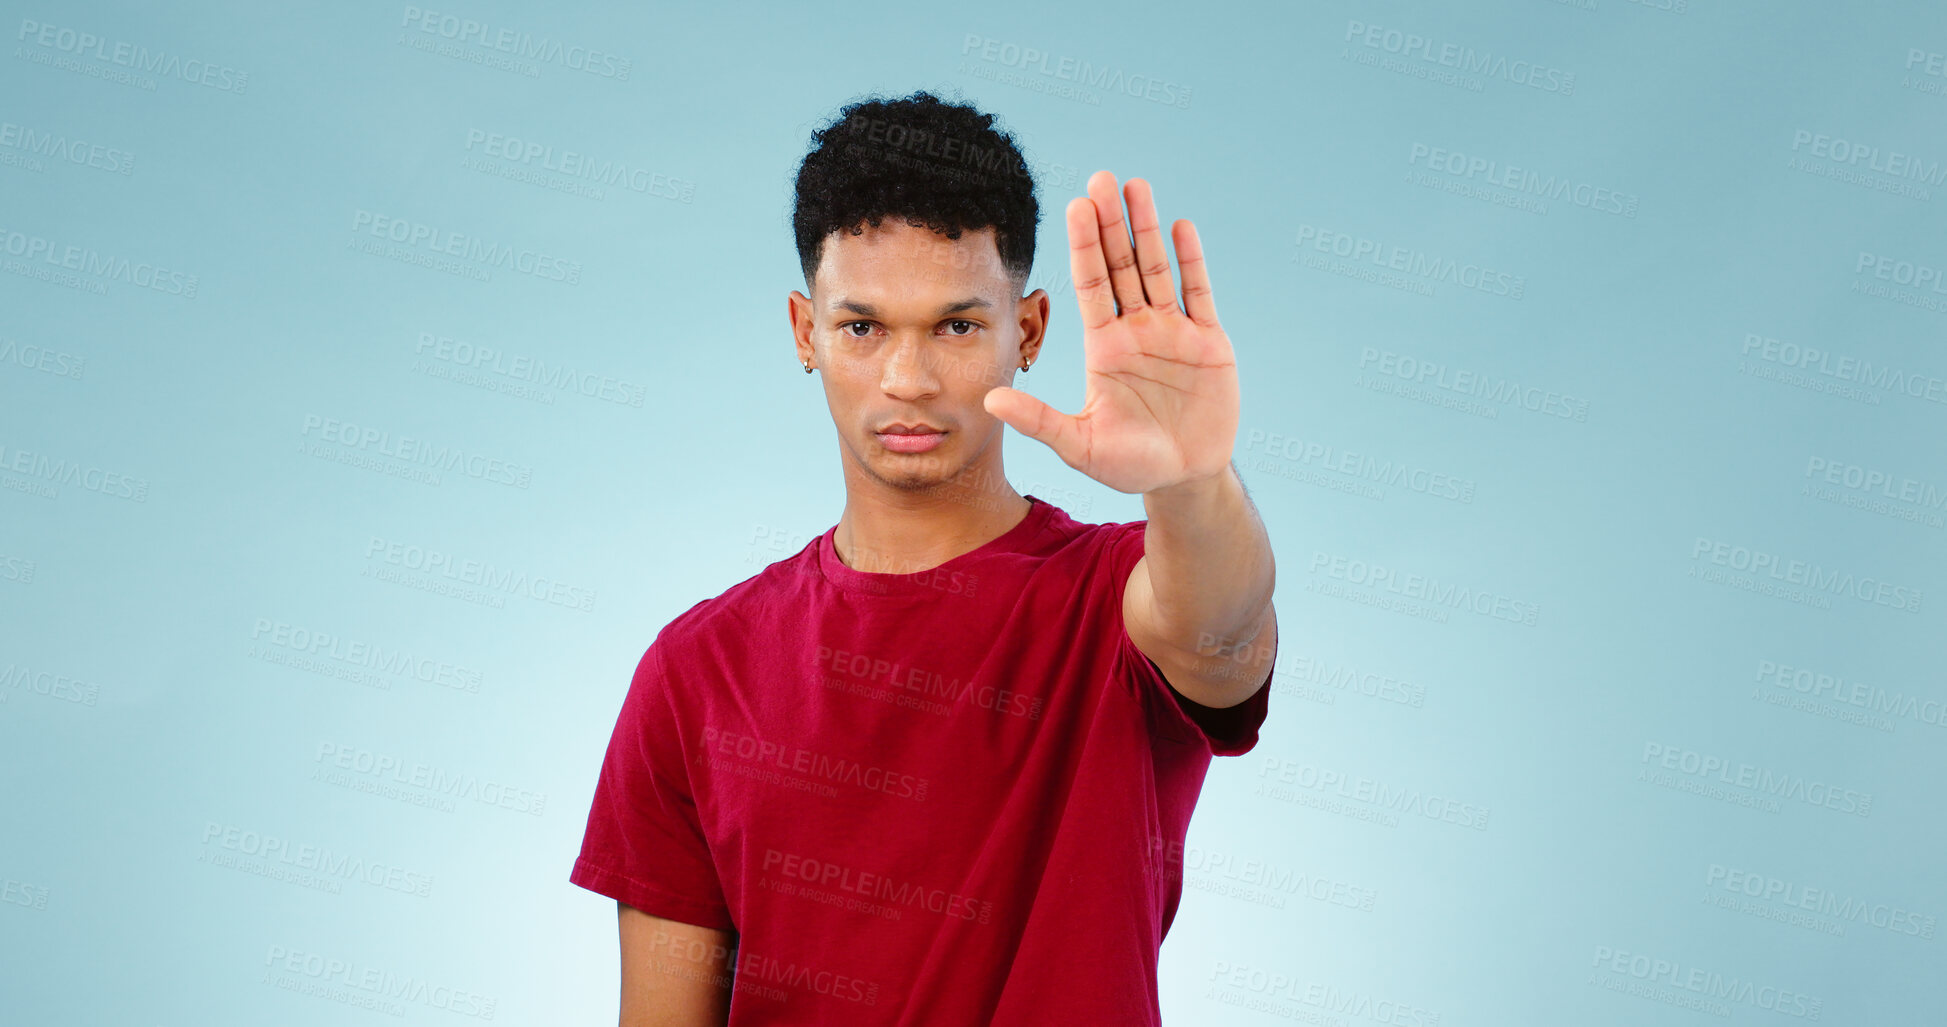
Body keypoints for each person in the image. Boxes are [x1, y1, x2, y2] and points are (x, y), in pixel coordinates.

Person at [570, 88, 1279, 1026]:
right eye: (863, 327)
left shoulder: (1115, 599)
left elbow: (1220, 632)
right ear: (804, 333)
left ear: (1024, 332)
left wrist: (1192, 480)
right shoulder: (692, 671)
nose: (907, 380)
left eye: (956, 326)